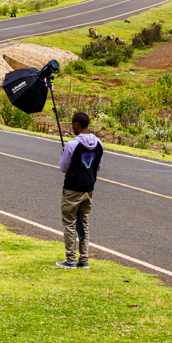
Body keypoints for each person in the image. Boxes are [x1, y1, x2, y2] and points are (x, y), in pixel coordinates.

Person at [55, 111, 103, 269]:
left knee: (69, 222)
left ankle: (70, 259)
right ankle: (84, 259)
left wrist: (64, 155)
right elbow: (98, 167)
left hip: (72, 189)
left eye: (72, 124)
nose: (72, 126)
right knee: (84, 222)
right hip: (88, 188)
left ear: (77, 124)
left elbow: (63, 168)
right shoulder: (99, 144)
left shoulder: (71, 145)